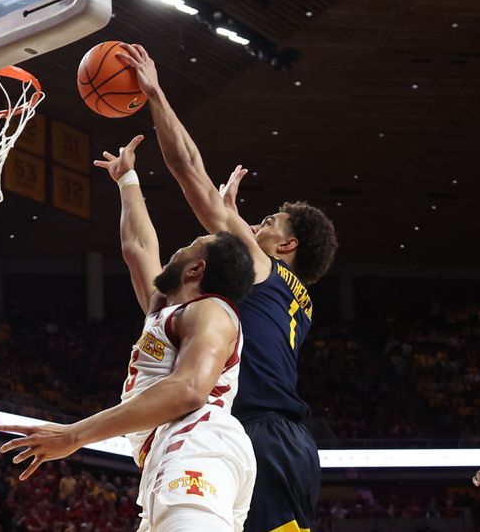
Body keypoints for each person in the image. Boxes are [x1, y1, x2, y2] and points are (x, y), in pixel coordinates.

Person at [117, 43, 339, 532]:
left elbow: (190, 173)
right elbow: (142, 255)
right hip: (271, 438)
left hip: (250, 432)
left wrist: (155, 94)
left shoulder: (258, 274)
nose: (256, 225)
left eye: (268, 222)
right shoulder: (290, 299)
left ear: (288, 246)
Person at [0, 135, 257, 531]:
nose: (175, 252)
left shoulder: (212, 311)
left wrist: (75, 435)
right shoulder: (167, 309)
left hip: (197, 444)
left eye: (188, 247)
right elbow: (137, 246)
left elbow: (189, 390)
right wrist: (127, 179)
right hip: (174, 452)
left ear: (195, 270)